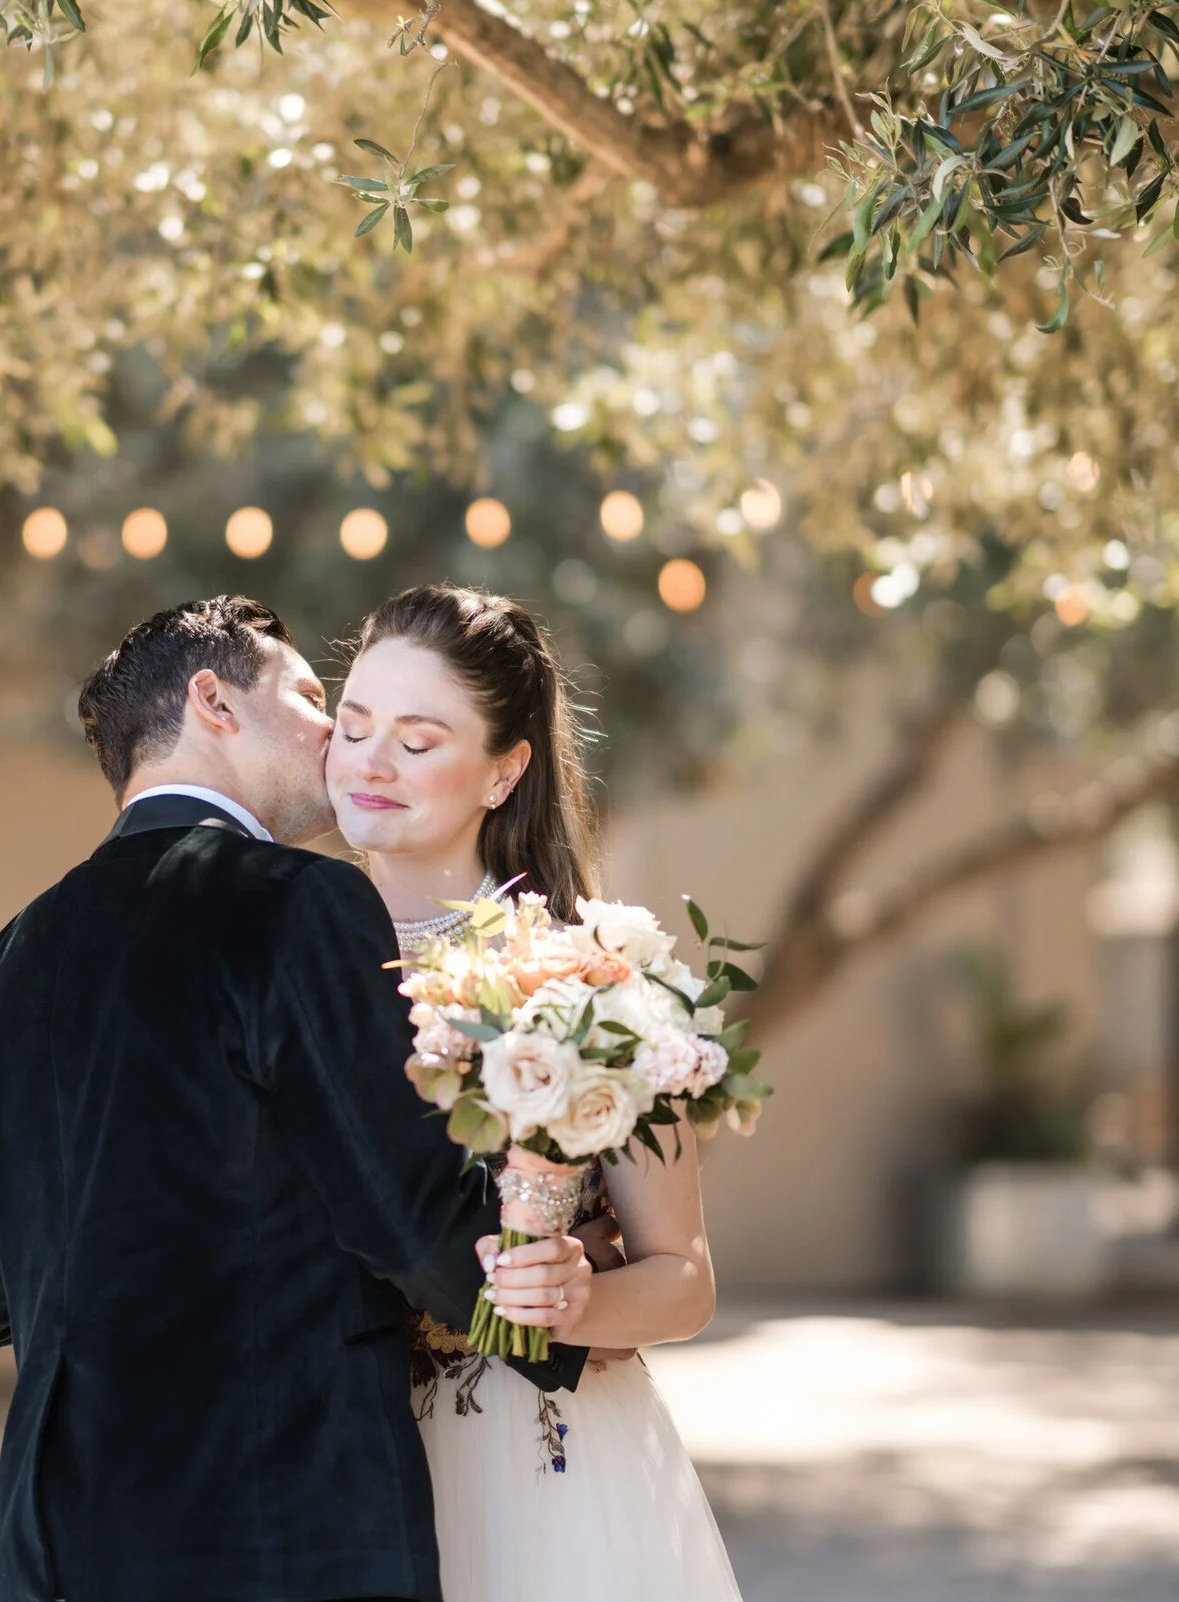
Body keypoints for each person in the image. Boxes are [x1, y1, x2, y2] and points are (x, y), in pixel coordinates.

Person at [0, 595, 593, 1602]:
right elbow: (411, 1228)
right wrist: (567, 1323)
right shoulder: (296, 902)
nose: (336, 734)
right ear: (214, 702)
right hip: (276, 1528)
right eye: (312, 697)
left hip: (51, 1541)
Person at [329, 584, 745, 1602]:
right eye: (351, 724)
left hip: (538, 1470)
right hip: (328, 1462)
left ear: (505, 768)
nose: (369, 763)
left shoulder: (590, 974)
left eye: (418, 742)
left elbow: (682, 1278)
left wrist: (574, 1296)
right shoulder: (281, 962)